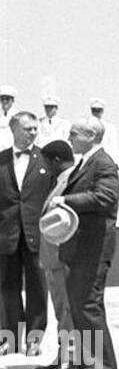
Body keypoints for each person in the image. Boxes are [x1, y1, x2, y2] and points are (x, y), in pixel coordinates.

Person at [50, 119, 119, 369]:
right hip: (78, 249)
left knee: (89, 309)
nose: (69, 138)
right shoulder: (85, 162)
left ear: (90, 135)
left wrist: (65, 200)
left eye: (73, 133)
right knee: (80, 310)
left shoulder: (102, 163)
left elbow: (105, 198)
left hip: (92, 250)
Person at [0, 112, 55, 356]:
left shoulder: (46, 159)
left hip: (37, 232)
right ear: (14, 129)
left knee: (37, 287)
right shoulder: (1, 160)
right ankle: (9, 338)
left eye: (35, 128)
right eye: (27, 128)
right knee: (7, 287)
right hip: (6, 233)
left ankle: (34, 339)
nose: (33, 132)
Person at [35, 140, 79, 369]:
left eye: (46, 163)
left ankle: (70, 358)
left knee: (67, 310)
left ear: (56, 160)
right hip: (53, 258)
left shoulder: (71, 180)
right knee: (61, 309)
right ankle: (65, 355)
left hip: (63, 257)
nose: (45, 168)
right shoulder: (59, 180)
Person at [88, 100, 119, 168]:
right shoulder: (85, 125)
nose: (96, 113)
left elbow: (113, 146)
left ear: (102, 111)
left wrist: (115, 161)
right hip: (88, 159)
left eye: (99, 110)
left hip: (104, 160)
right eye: (94, 110)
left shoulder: (109, 127)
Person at [0, 86, 16, 153]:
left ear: (13, 100)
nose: (4, 101)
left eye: (7, 99)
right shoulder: (1, 118)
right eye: (2, 99)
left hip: (11, 155)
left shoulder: (18, 117)